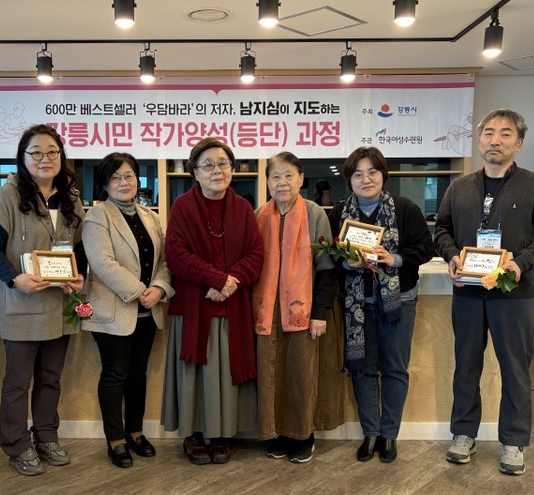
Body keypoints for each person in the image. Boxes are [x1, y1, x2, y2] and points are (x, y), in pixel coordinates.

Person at [434, 109, 534, 476]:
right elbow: (441, 230)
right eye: (488, 133)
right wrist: (452, 256)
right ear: (479, 140)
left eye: (505, 134)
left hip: (514, 294)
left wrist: (521, 263)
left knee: (515, 369)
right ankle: (463, 434)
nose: (495, 140)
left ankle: (514, 441)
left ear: (518, 143)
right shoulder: (459, 187)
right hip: (468, 294)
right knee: (466, 367)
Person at [0, 124, 86, 476]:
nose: (45, 159)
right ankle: (16, 444)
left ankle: (46, 437)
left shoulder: (70, 197)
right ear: (22, 158)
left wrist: (78, 274)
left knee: (51, 378)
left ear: (61, 156)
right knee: (17, 381)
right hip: (21, 303)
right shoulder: (5, 198)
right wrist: (14, 278)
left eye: (52, 152)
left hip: (59, 304)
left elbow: (78, 248)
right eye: (36, 152)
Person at [161, 137, 264, 465]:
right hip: (194, 305)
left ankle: (221, 434)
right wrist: (218, 279)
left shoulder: (243, 208)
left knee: (224, 373)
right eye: (207, 165)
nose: (216, 170)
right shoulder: (182, 206)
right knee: (195, 373)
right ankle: (193, 435)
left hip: (232, 307)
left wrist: (230, 283)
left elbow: (255, 255)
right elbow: (176, 255)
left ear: (232, 169)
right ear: (194, 172)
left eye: (223, 163)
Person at [328, 146, 434, 464]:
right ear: (349, 180)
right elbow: (329, 257)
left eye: (372, 172)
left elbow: (425, 248)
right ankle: (370, 433)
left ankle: (389, 435)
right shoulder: (338, 214)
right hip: (357, 302)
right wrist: (346, 264)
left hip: (398, 300)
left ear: (383, 175)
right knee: (361, 367)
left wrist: (395, 258)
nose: (366, 179)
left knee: (394, 368)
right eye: (358, 174)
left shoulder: (404, 208)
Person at [82, 152, 174, 469]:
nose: (124, 182)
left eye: (129, 175)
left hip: (148, 311)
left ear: (137, 179)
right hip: (114, 311)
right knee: (114, 374)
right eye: (116, 177)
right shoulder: (97, 216)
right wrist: (139, 292)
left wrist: (159, 288)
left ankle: (135, 432)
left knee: (138, 374)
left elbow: (165, 260)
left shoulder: (151, 215)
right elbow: (102, 263)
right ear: (105, 184)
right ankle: (115, 439)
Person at [253, 152, 345, 463]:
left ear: (301, 179)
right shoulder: (259, 215)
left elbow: (327, 268)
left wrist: (320, 313)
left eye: (288, 175)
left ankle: (303, 434)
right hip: (267, 311)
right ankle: (278, 432)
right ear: (267, 181)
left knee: (301, 373)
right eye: (275, 176)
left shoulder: (314, 213)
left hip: (302, 309)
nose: (282, 182)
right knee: (272, 371)